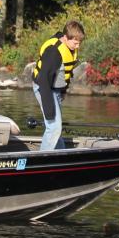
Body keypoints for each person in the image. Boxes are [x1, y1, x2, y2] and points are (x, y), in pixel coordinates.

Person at [32, 20, 85, 151]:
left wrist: (63, 91)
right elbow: (43, 80)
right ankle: (43, 159)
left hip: (55, 89)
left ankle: (60, 154)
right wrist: (49, 109)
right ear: (65, 38)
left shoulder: (69, 47)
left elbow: (64, 72)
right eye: (75, 43)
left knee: (56, 126)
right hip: (44, 88)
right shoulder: (53, 52)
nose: (78, 46)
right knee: (54, 126)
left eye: (79, 43)